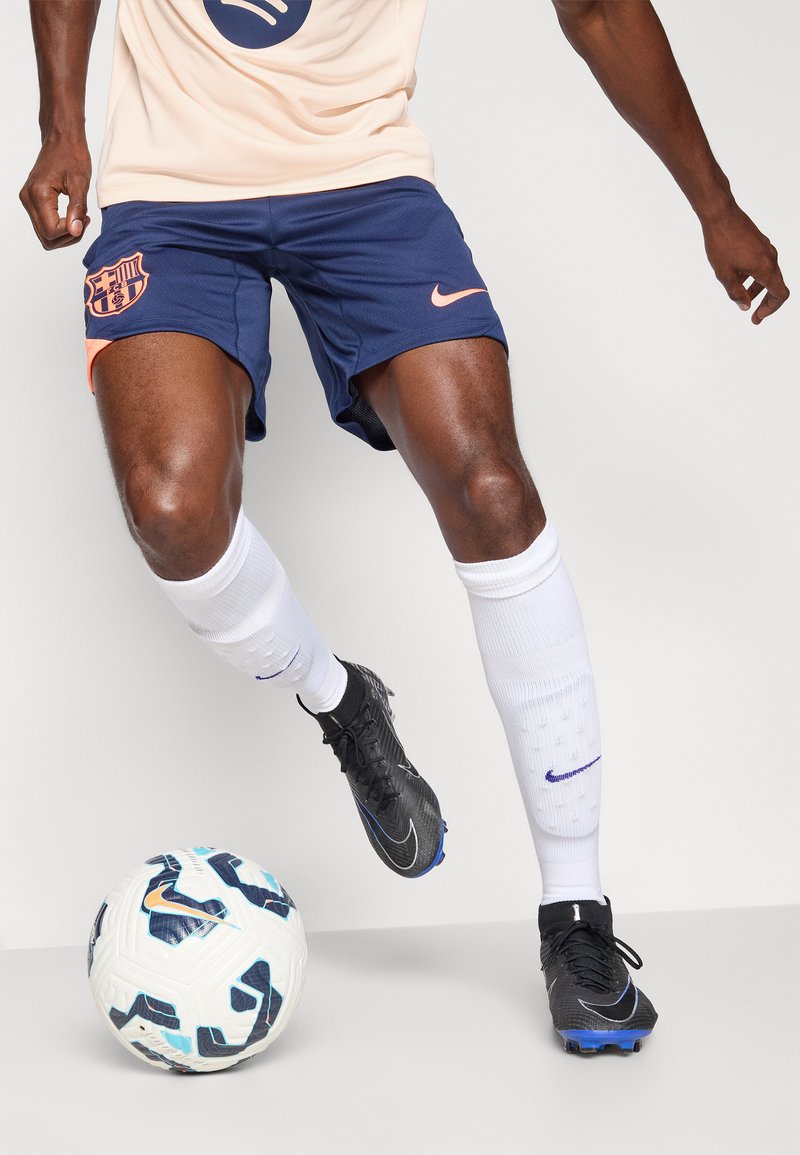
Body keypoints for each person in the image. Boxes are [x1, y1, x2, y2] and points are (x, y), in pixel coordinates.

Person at [20, 0, 788, 1057]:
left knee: (491, 490)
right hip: (174, 190)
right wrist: (62, 121)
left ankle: (575, 918)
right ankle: (339, 700)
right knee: (172, 511)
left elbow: (599, 7)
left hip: (363, 177)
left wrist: (714, 203)